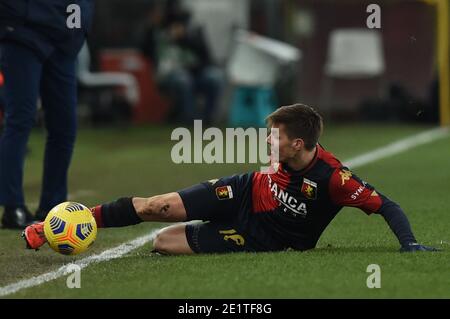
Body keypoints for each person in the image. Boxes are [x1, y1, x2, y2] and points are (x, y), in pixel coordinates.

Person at [23, 104, 438, 253]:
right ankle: (54, 227)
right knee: (157, 208)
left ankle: (210, 232)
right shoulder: (277, 162)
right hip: (241, 191)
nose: (267, 143)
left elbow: (388, 205)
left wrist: (410, 244)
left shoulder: (335, 178)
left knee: (163, 243)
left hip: (268, 238)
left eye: (274, 138)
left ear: (298, 145)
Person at [0, 0, 94, 228]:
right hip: (25, 35)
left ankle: (52, 206)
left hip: (64, 41)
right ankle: (13, 206)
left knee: (65, 126)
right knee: (20, 119)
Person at [140, 1, 223, 124]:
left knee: (214, 77)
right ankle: (190, 119)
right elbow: (144, 49)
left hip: (196, 72)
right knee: (183, 79)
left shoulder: (193, 30)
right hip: (170, 75)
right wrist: (151, 27)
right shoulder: (156, 30)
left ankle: (207, 119)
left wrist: (184, 38)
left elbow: (207, 57)